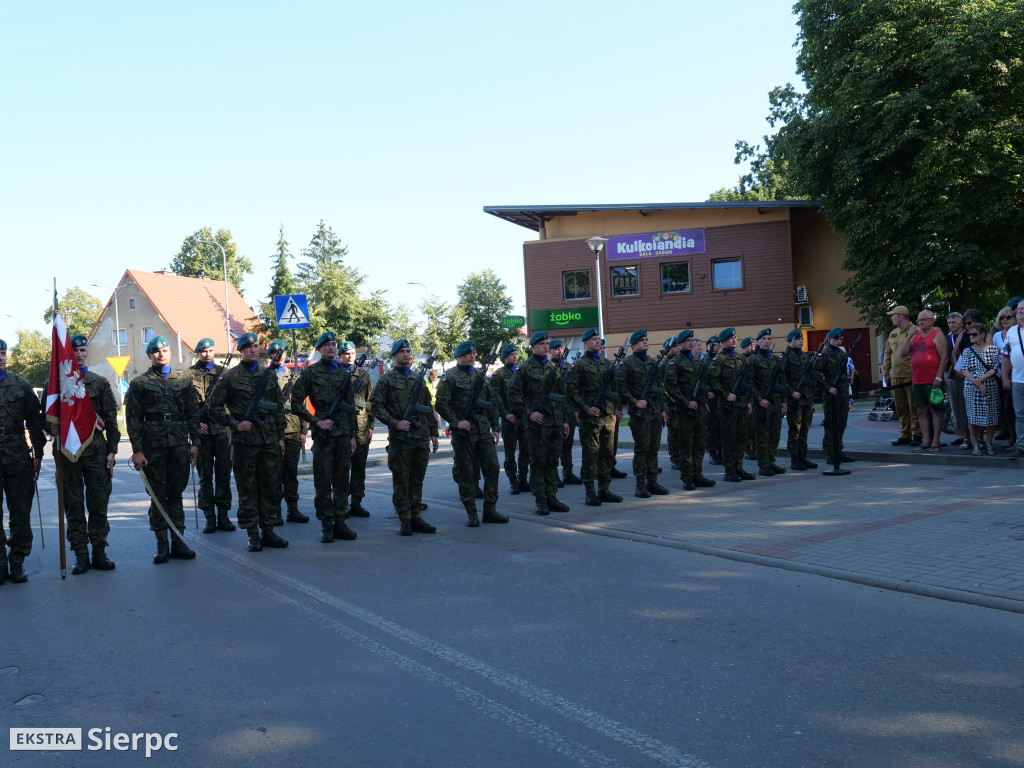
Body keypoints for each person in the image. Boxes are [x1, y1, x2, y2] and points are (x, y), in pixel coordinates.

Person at [208, 333, 288, 552]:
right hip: (245, 443)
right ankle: (253, 534)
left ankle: (269, 530)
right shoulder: (230, 377)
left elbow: (278, 407)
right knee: (248, 488)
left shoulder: (269, 375)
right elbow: (214, 408)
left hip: (269, 440)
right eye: (248, 347)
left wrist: (281, 437)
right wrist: (235, 424)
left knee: (270, 487)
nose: (253, 350)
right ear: (241, 351)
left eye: (256, 346)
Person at [126, 336, 201, 564]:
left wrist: (195, 442)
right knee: (158, 496)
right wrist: (137, 450)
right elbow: (132, 419)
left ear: (170, 353)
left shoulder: (184, 381)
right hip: (153, 448)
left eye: (165, 350)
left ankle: (179, 540)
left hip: (178, 445)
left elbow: (193, 414)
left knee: (176, 494)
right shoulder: (139, 383)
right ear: (149, 355)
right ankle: (162, 543)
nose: (161, 354)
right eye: (156, 351)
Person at [49, 335, 120, 574]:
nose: (78, 354)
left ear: (86, 352)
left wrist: (112, 451)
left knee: (98, 504)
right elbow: (44, 416)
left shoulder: (99, 382)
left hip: (96, 453)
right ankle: (81, 554)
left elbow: (111, 421)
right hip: (67, 454)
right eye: (74, 351)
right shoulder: (56, 383)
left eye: (82, 350)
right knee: (74, 506)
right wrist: (51, 426)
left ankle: (99, 551)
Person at [290, 331, 358, 543]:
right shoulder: (310, 373)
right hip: (323, 436)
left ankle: (340, 521)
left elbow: (350, 407)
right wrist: (315, 420)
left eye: (334, 344)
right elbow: (295, 402)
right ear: (319, 349)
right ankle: (326, 525)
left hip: (343, 435)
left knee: (341, 481)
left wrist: (353, 435)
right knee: (323, 482)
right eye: (326, 345)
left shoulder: (343, 373)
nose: (331, 347)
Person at [369, 338, 439, 534]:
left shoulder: (418, 379)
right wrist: (395, 422)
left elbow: (427, 408)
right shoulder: (387, 380)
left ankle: (417, 516)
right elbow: (375, 406)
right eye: (402, 351)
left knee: (417, 479)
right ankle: (405, 519)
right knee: (402, 481)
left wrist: (433, 433)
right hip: (401, 440)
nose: (406, 354)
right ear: (394, 356)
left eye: (408, 351)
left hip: (420, 437)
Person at [435, 340, 508, 526]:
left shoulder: (480, 375)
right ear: (458, 357)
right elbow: (441, 404)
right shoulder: (449, 377)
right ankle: (471, 513)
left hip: (483, 430)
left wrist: (495, 427)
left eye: (474, 353)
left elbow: (490, 401)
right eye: (468, 353)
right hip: (464, 434)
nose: (472, 356)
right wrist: (456, 422)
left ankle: (490, 510)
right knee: (466, 473)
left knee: (492, 469)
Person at [508, 330, 570, 515]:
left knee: (552, 460)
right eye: (542, 344)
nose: (545, 346)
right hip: (538, 423)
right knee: (538, 461)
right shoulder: (525, 368)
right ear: (533, 346)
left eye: (547, 343)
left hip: (556, 422)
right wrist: (529, 413)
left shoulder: (553, 368)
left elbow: (561, 396)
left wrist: (565, 420)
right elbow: (513, 394)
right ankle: (540, 499)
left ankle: (551, 496)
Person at [0, 338, 46, 584]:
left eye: (3, 352)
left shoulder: (21, 384)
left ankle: (17, 561)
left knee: (20, 512)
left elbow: (34, 422)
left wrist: (38, 455)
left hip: (18, 454)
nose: (0, 357)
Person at [567, 327, 624, 505]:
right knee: (591, 454)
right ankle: (590, 491)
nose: (598, 341)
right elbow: (571, 392)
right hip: (590, 418)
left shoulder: (607, 364)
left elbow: (615, 391)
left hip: (607, 416)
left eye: (598, 339)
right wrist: (586, 408)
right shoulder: (579, 365)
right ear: (585, 343)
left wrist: (615, 411)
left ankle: (604, 488)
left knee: (607, 454)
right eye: (593, 339)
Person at [188, 337, 235, 533]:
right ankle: (209, 516)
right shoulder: (188, 375)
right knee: (205, 476)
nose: (208, 354)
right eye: (204, 351)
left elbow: (233, 401)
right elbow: (185, 406)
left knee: (223, 475)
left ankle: (223, 515)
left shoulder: (225, 373)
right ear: (198, 352)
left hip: (223, 431)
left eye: (211, 350)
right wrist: (196, 426)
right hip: (203, 435)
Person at [616, 329, 669, 497]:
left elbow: (660, 388)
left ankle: (652, 481)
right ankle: (640, 484)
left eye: (646, 339)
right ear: (633, 345)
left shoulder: (653, 363)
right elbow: (620, 388)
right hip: (639, 414)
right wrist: (634, 401)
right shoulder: (627, 363)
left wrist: (663, 410)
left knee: (653, 448)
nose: (645, 342)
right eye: (642, 340)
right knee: (642, 449)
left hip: (654, 411)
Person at [664, 330, 716, 491]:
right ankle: (687, 478)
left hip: (699, 409)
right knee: (686, 445)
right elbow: (671, 387)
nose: (691, 343)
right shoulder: (675, 363)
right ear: (679, 344)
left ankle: (698, 475)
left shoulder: (698, 362)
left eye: (692, 340)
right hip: (684, 411)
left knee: (700, 444)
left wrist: (704, 399)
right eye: (687, 341)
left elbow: (702, 384)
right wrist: (687, 402)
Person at [268, 340, 310, 525]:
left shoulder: (294, 377)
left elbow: (301, 405)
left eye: (281, 352)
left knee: (291, 473)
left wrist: (303, 430)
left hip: (292, 430)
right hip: (270, 430)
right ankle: (275, 511)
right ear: (270, 355)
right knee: (274, 473)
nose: (279, 354)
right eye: (275, 352)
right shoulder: (264, 376)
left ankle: (293, 509)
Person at [710, 328, 755, 482]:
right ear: (722, 342)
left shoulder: (741, 359)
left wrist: (748, 400)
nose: (734, 340)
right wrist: (725, 394)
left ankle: (738, 467)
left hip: (741, 405)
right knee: (729, 439)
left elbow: (747, 382)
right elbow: (713, 380)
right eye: (730, 338)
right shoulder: (719, 359)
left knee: (742, 438)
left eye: (735, 337)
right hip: (726, 407)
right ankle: (729, 471)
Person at [900, 310, 948, 453]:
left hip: (932, 380)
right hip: (917, 380)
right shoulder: (916, 336)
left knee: (934, 409)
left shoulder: (937, 335)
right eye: (918, 320)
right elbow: (903, 354)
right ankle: (926, 440)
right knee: (921, 410)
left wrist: (938, 377)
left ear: (932, 320)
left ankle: (936, 442)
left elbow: (944, 357)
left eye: (923, 320)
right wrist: (909, 337)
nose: (919, 323)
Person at [490, 344, 530, 495]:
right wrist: (505, 414)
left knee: (526, 450)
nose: (515, 356)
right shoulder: (498, 375)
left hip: (523, 417)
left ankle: (523, 478)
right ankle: (513, 481)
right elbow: (496, 398)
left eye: (516, 353)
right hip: (509, 419)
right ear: (505, 357)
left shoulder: (522, 372)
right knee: (510, 452)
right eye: (511, 354)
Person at [340, 341, 374, 518]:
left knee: (359, 468)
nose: (350, 356)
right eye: (346, 353)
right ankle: (341, 503)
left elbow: (370, 401)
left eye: (352, 353)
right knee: (342, 468)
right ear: (340, 356)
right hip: (342, 429)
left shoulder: (363, 374)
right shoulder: (336, 373)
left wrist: (372, 426)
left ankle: (357, 502)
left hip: (362, 427)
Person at [882, 306, 923, 446]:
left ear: (901, 316)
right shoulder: (893, 333)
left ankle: (917, 434)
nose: (891, 318)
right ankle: (904, 434)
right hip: (896, 376)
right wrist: (886, 373)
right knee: (900, 407)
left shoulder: (916, 331)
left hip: (911, 375)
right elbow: (888, 354)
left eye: (893, 315)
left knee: (914, 406)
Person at [813, 327, 854, 464]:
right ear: (830, 339)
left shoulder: (842, 354)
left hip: (842, 393)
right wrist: (827, 387)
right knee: (831, 424)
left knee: (841, 423)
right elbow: (815, 373)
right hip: (831, 395)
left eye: (841, 339)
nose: (839, 341)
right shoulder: (824, 355)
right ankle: (830, 452)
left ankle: (839, 450)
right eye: (836, 339)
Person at [749, 328, 787, 476]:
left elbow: (782, 381)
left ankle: (771, 462)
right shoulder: (754, 359)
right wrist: (759, 399)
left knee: (775, 435)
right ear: (758, 341)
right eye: (764, 339)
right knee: (762, 436)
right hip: (763, 404)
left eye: (769, 339)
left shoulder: (775, 359)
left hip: (776, 403)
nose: (767, 341)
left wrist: (784, 400)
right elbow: (750, 383)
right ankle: (763, 465)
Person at [961, 322, 1001, 455]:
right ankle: (976, 444)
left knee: (991, 416)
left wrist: (981, 380)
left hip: (989, 386)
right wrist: (977, 383)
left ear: (982, 335)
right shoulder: (967, 350)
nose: (971, 336)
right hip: (971, 387)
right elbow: (965, 370)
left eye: (974, 334)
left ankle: (989, 443)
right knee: (972, 417)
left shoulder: (993, 350)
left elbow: (994, 368)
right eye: (969, 334)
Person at [782, 330, 818, 470]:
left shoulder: (806, 356)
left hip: (807, 397)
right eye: (797, 339)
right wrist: (791, 392)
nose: (801, 341)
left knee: (805, 430)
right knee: (795, 431)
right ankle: (794, 459)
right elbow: (782, 378)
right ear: (791, 341)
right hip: (794, 400)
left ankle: (803, 456)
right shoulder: (786, 357)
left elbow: (812, 375)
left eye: (802, 338)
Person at [551, 338, 581, 486]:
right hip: (554, 412)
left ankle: (568, 473)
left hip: (569, 410)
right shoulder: (549, 367)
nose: (559, 351)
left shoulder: (569, 367)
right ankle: (553, 474)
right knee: (555, 444)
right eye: (556, 348)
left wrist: (576, 409)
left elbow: (573, 390)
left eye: (560, 348)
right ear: (550, 351)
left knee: (567, 445)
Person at [1000, 301, 1024, 459]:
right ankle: (1021, 446)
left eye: (1023, 309)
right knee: (1020, 414)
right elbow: (1006, 357)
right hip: (1017, 380)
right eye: (1019, 309)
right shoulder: (1012, 332)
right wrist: (1005, 378)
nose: (1020, 311)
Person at [993, 305, 1018, 447]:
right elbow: (995, 356)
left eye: (1008, 317)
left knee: (1017, 407)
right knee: (1005, 406)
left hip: (1017, 372)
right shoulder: (997, 335)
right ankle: (1010, 435)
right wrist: (1001, 373)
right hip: (1001, 373)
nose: (1004, 319)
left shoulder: (1018, 333)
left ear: (1014, 319)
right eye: (1002, 317)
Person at [944, 312, 970, 448]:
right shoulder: (947, 338)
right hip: (951, 374)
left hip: (969, 375)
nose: (951, 325)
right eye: (949, 323)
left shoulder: (969, 335)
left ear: (962, 322)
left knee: (968, 405)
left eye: (954, 322)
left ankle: (973, 436)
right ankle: (960, 435)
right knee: (956, 405)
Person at [704, 335, 724, 465]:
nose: (713, 347)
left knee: (722, 427)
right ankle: (712, 453)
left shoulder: (722, 360)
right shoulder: (703, 361)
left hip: (721, 398)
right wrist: (706, 392)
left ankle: (721, 452)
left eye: (716, 345)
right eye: (711, 345)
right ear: (707, 347)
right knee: (711, 428)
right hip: (709, 400)